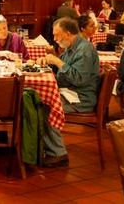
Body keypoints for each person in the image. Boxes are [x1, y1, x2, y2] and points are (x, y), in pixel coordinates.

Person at [40, 17, 100, 167]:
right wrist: (48, 61)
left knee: (46, 106)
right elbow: (63, 72)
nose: (54, 38)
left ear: (67, 33)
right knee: (34, 99)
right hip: (70, 92)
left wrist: (56, 61)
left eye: (56, 35)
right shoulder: (72, 47)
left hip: (81, 98)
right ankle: (41, 147)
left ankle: (58, 153)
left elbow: (78, 78)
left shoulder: (85, 49)